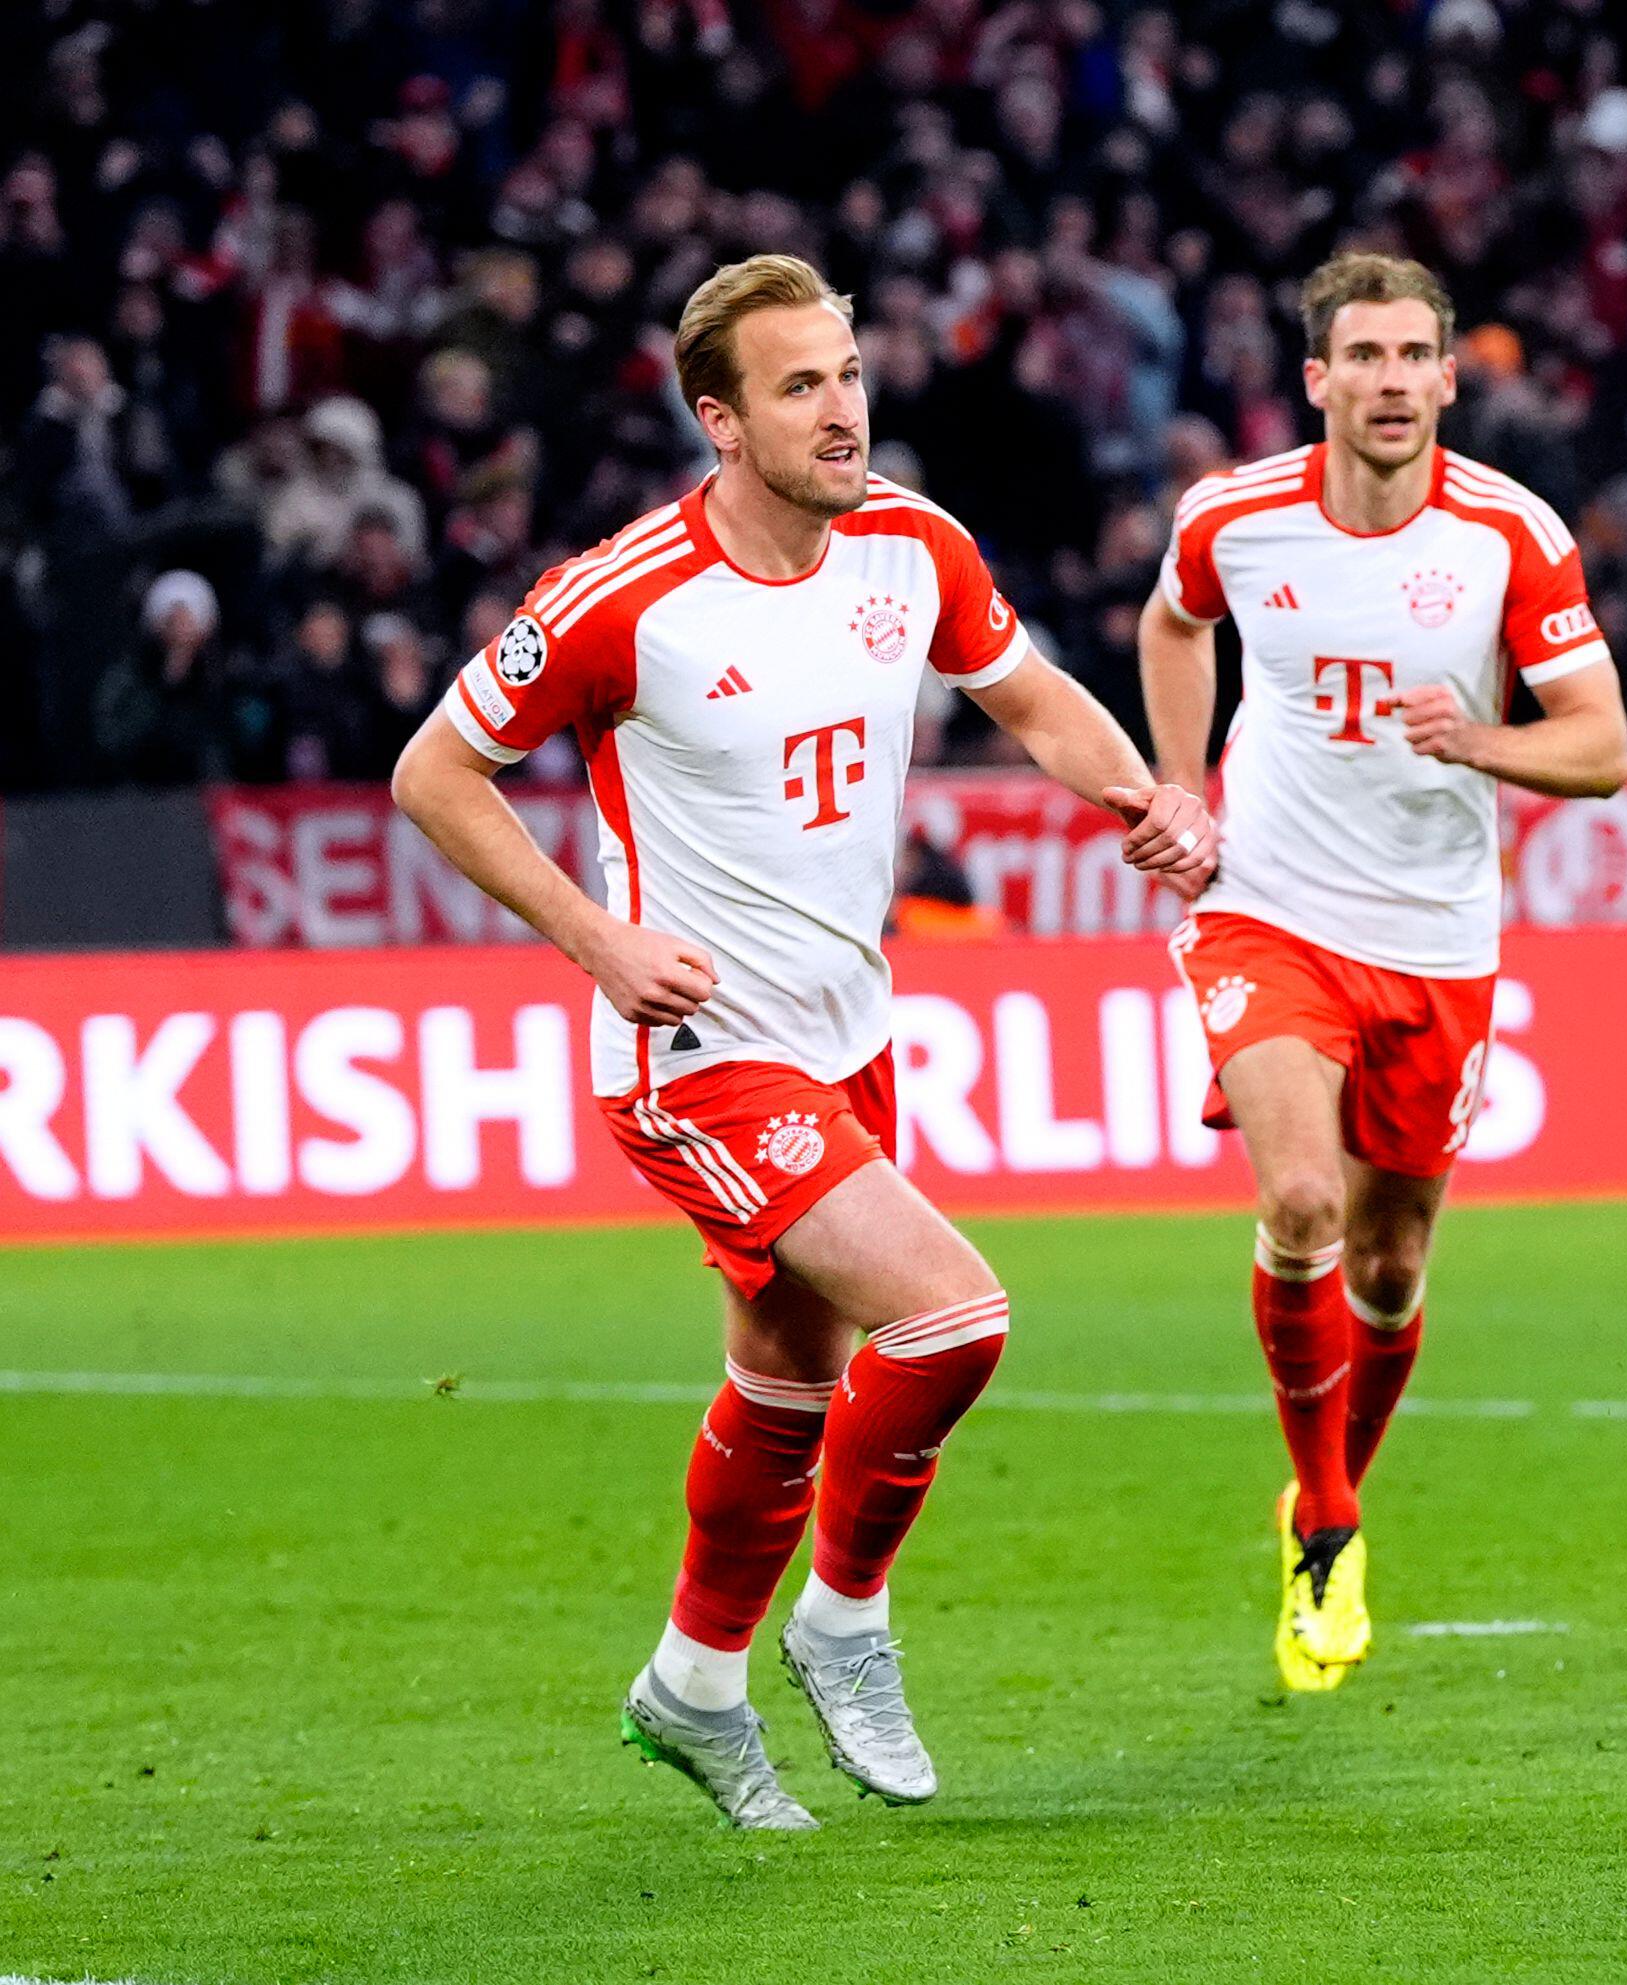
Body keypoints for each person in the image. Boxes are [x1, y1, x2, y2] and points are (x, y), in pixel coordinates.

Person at [391, 254, 1214, 1829]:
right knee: (954, 1319)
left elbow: (1032, 697)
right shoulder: (622, 596)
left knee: (787, 1377)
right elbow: (437, 774)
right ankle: (844, 1618)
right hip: (698, 1051)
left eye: (847, 373)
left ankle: (695, 1688)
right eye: (799, 386)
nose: (842, 410)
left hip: (849, 1034)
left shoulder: (913, 542)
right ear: (720, 419)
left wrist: (1144, 799)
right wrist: (601, 939)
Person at [1136, 252, 1627, 1692]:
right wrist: (1181, 786)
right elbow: (1176, 621)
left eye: (1419, 355)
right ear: (1319, 380)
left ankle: (1327, 1488)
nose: (1396, 379)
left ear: (1446, 376)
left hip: (1435, 936)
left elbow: (1597, 746)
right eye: (1367, 356)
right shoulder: (1233, 516)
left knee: (1392, 1261)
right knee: (1300, 1199)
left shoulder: (1507, 535)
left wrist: (1478, 737)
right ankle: (1332, 1517)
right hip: (1269, 907)